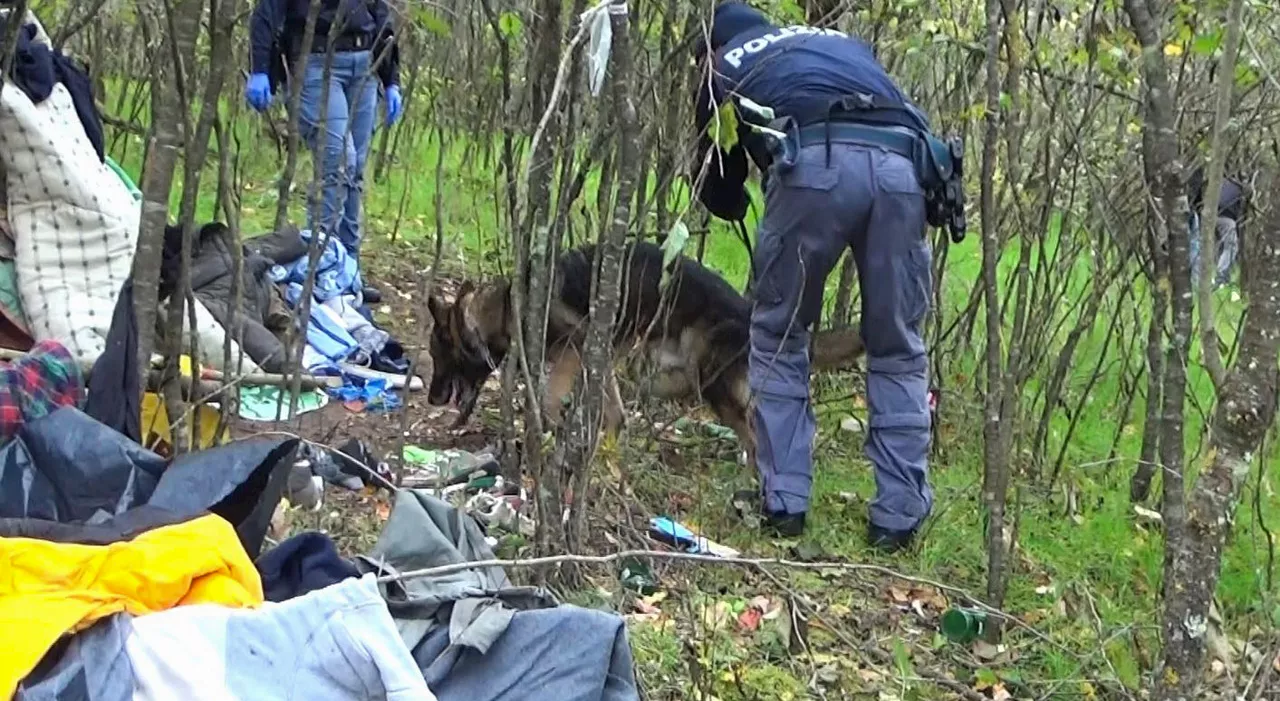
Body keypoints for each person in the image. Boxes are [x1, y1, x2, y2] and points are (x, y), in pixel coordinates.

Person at [692, 2, 962, 550]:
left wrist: (739, 194)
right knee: (898, 346)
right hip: (904, 168)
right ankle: (899, 519)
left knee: (778, 335)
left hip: (813, 163)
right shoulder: (836, 43)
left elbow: (719, 186)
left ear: (710, 46)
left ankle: (784, 504)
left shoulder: (723, 65)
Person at [245, 0, 405, 303]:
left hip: (365, 65)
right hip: (317, 64)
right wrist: (259, 69)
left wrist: (391, 79)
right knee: (337, 162)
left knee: (355, 172)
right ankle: (321, 268)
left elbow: (380, 16)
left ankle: (349, 270)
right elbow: (266, 13)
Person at [1187, 166, 1247, 291]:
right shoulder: (1237, 187)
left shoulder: (1212, 183)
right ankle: (1222, 275)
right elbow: (1239, 210)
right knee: (1230, 245)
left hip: (1205, 215)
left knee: (1199, 245)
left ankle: (1198, 279)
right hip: (1226, 218)